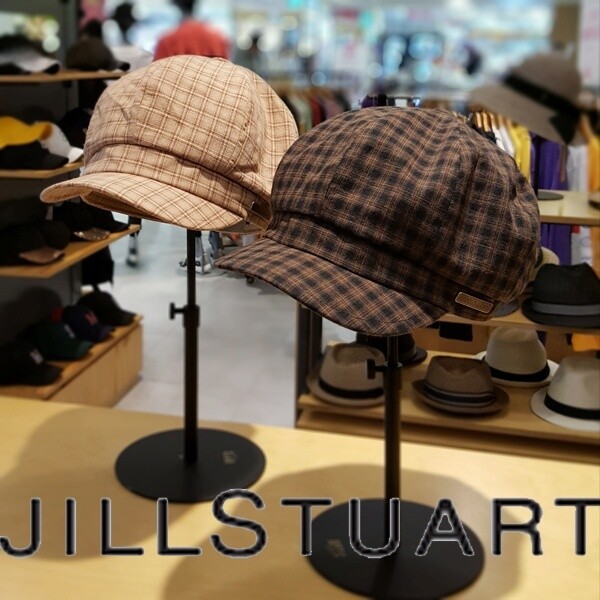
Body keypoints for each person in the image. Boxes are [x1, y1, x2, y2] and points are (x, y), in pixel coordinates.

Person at [129, 0, 231, 273]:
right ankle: (216, 239)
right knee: (214, 177)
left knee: (188, 181)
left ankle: (196, 249)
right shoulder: (216, 38)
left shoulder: (168, 40)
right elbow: (227, 75)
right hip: (213, 112)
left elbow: (158, 81)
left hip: (181, 115)